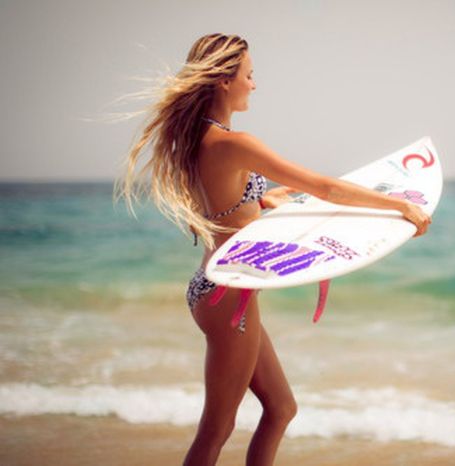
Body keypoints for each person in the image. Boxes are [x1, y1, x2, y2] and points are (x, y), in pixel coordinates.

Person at [115, 33, 431, 466]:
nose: (254, 84)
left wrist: (264, 198)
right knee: (216, 430)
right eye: (249, 74)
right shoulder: (235, 143)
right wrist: (401, 206)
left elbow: (226, 204)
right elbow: (325, 186)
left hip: (215, 290)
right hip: (229, 298)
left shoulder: (199, 141)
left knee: (281, 409)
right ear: (225, 80)